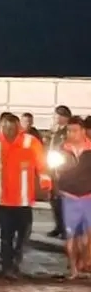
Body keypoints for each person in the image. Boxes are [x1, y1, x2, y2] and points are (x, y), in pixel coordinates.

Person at [0, 112, 52, 279]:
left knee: (23, 235)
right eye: (4, 128)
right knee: (6, 236)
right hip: (4, 200)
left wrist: (46, 185)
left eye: (10, 128)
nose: (7, 131)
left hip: (23, 200)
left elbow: (42, 165)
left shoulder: (30, 142)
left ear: (17, 128)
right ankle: (7, 266)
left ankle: (16, 259)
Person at [54, 116, 91, 277]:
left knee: (87, 236)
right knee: (71, 235)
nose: (71, 134)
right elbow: (54, 171)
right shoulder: (62, 149)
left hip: (88, 197)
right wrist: (57, 188)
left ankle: (84, 262)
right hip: (69, 197)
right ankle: (74, 269)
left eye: (75, 130)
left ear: (83, 131)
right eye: (69, 131)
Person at [48, 106, 74, 238]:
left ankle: (66, 228)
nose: (55, 118)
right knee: (54, 199)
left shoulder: (70, 131)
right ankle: (58, 226)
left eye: (58, 115)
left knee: (64, 200)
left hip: (65, 170)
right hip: (54, 168)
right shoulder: (56, 131)